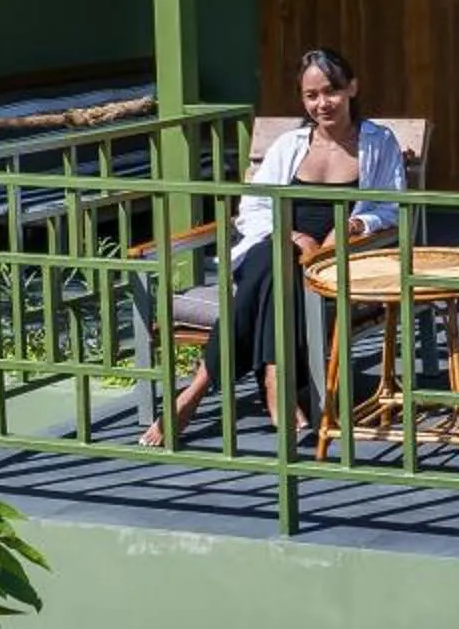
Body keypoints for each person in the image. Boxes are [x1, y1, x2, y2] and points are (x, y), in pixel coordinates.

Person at [143, 48, 405, 449]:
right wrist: (294, 237)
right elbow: (253, 207)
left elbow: (391, 207)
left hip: (336, 255)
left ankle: (198, 389)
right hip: (278, 243)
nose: (322, 103)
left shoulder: (378, 142)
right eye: (311, 95)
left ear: (352, 88)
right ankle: (273, 375)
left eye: (331, 91)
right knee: (274, 260)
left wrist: (351, 225)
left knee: (275, 274)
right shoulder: (290, 144)